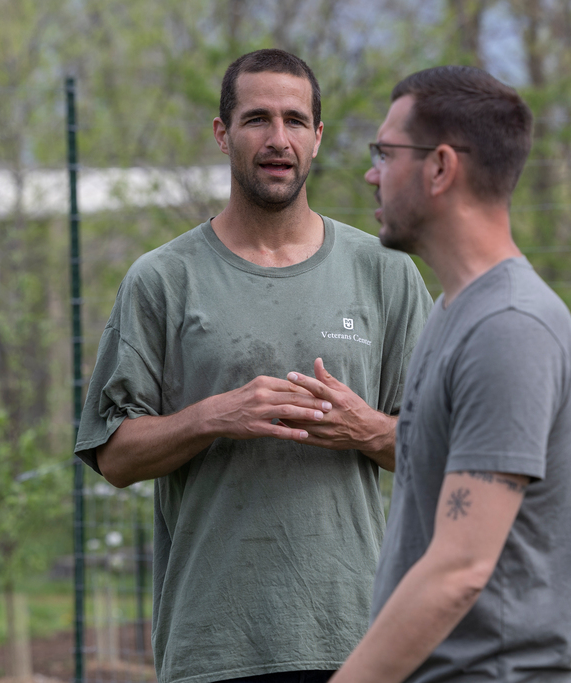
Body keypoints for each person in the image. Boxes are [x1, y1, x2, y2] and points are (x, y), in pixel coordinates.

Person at [74, 49, 433, 683]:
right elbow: (115, 457)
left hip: (356, 643)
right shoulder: (163, 279)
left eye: (296, 120)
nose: (277, 139)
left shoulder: (384, 272)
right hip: (213, 647)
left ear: (318, 139)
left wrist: (364, 429)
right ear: (222, 134)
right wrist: (213, 417)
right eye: (256, 119)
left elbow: (443, 448)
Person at [332, 66, 571, 683]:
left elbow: (458, 570)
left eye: (384, 152)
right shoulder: (454, 310)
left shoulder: (509, 326)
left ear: (440, 167)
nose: (372, 173)